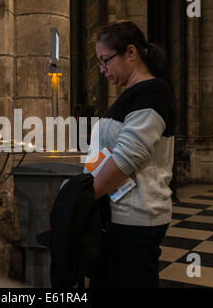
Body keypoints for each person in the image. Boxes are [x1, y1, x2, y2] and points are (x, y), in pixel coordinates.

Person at [87, 20, 175, 288]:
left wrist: (83, 195)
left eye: (106, 61)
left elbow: (128, 157)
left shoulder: (153, 92)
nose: (102, 69)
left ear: (131, 53)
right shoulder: (132, 94)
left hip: (135, 218)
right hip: (117, 214)